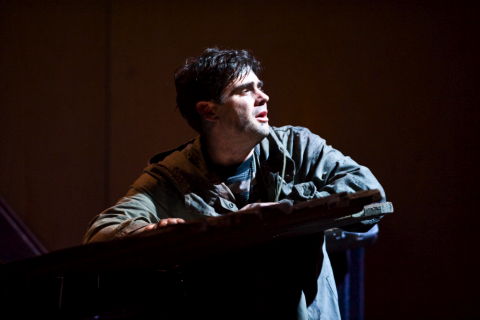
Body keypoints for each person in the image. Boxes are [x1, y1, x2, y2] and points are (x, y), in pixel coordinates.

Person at [83, 48, 385, 319]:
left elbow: (370, 195)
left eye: (260, 87)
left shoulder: (298, 147)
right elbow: (101, 233)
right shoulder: (172, 175)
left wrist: (284, 210)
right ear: (209, 110)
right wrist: (153, 233)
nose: (263, 96)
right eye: (245, 90)